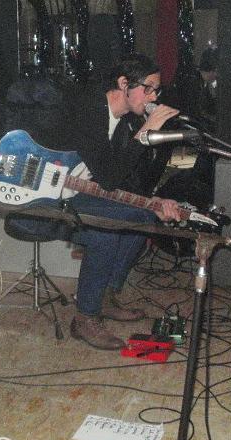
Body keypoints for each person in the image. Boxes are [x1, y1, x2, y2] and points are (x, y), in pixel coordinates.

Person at [62, 53, 182, 350]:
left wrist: (151, 201)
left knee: (143, 216)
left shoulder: (125, 120)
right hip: (53, 192)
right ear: (124, 84)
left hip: (82, 189)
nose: (154, 97)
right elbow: (109, 177)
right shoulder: (90, 110)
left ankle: (104, 295)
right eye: (148, 88)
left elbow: (123, 178)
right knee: (106, 228)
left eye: (157, 90)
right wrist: (145, 132)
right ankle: (85, 317)